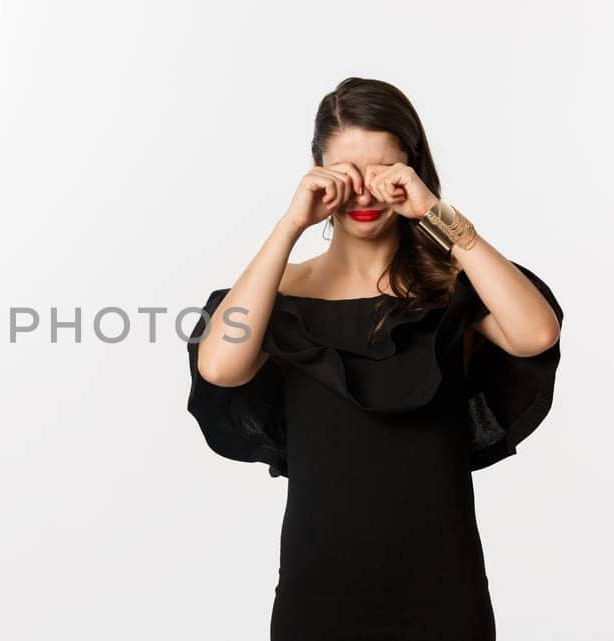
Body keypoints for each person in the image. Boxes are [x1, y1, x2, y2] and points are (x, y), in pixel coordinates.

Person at [184, 77, 565, 641]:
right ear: (316, 168)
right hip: (320, 591)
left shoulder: (452, 286)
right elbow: (219, 366)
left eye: (384, 173)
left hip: (443, 588)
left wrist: (436, 213)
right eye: (346, 174)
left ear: (412, 169)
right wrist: (290, 224)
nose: (364, 194)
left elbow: (535, 334)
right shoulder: (284, 292)